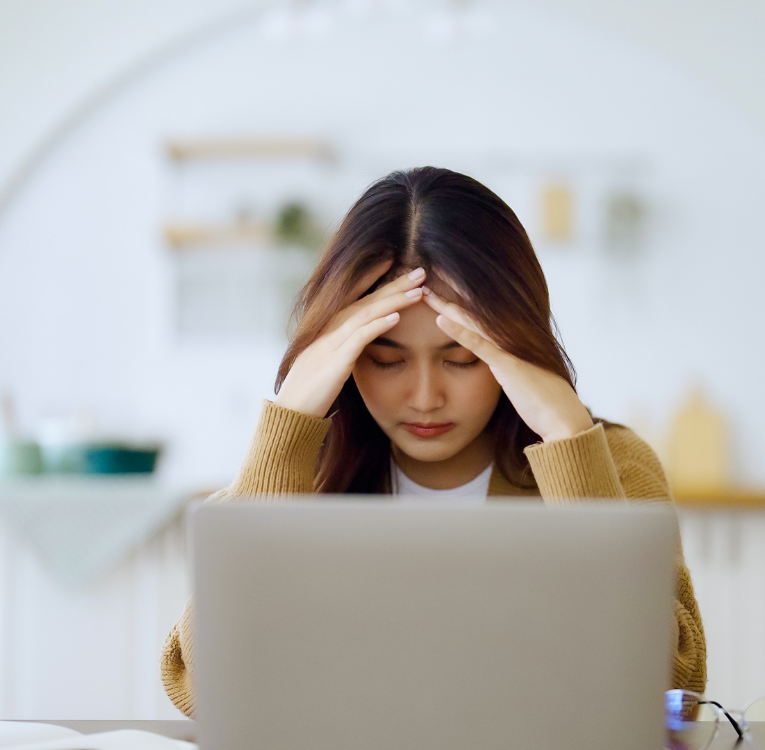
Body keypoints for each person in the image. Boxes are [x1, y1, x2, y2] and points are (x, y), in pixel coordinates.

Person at [160, 167, 706, 717]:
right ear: (344, 356)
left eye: (463, 358)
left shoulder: (609, 461)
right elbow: (201, 687)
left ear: (517, 345)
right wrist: (289, 422)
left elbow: (670, 685)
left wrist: (568, 435)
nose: (424, 397)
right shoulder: (298, 477)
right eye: (387, 359)